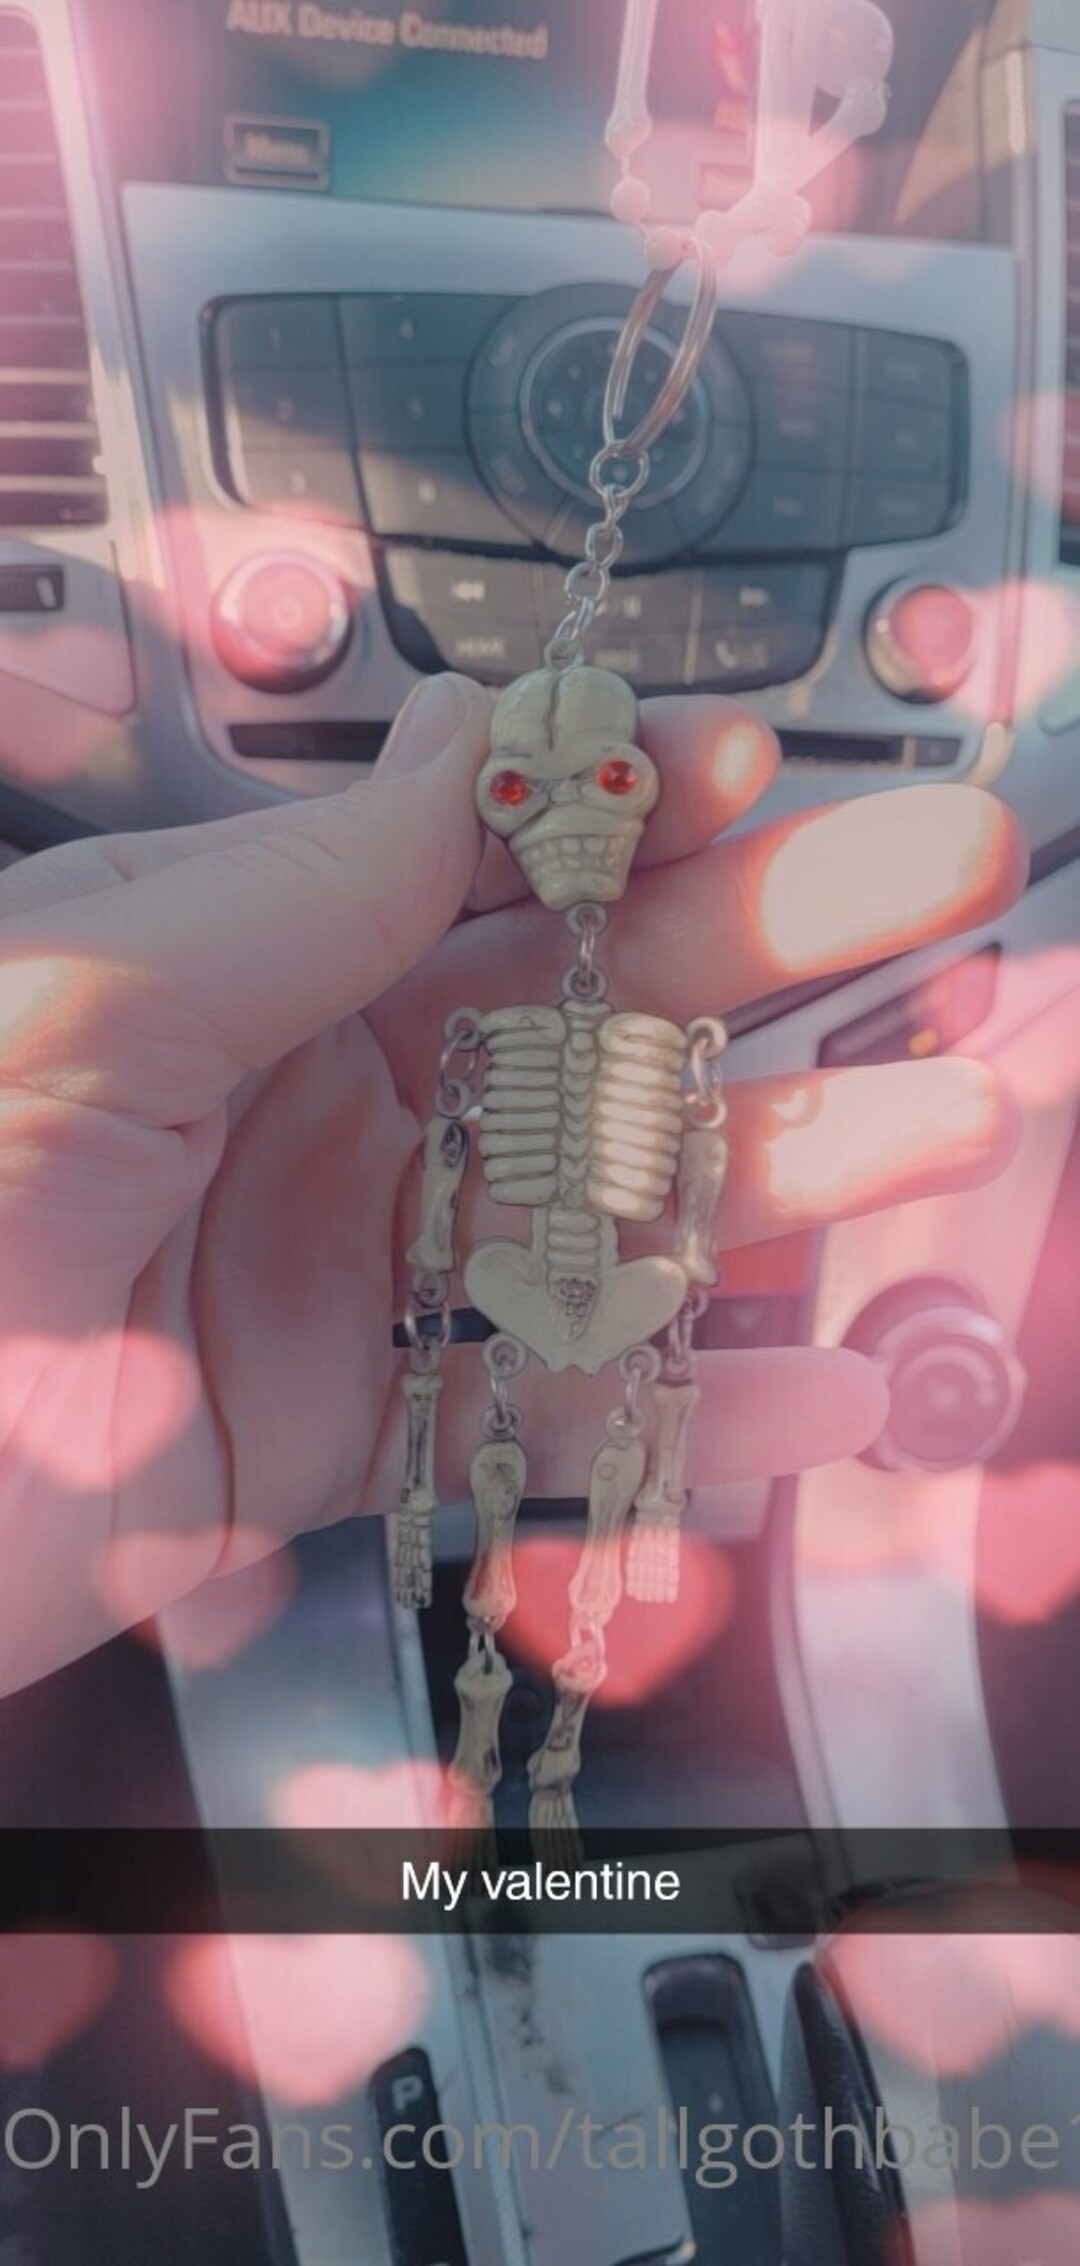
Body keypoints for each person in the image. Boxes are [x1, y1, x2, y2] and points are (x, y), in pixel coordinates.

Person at [0, 676, 1026, 1693]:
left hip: (567, 1252)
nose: (568, 816)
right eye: (514, 794)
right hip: (502, 1264)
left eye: (613, 781)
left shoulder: (606, 1047)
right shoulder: (495, 1051)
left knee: (604, 1372)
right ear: (493, 804)